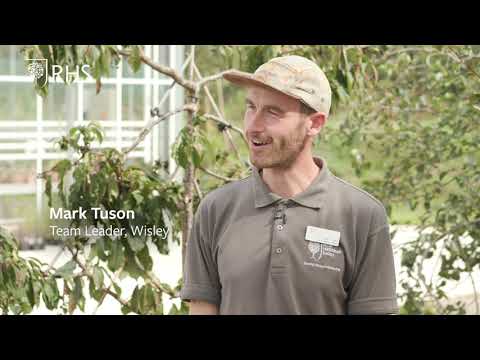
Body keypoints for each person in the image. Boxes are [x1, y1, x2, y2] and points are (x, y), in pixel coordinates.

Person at [180, 55, 398, 315]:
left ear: (314, 124)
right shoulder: (216, 210)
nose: (253, 126)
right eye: (251, 107)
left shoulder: (362, 216)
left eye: (273, 112)